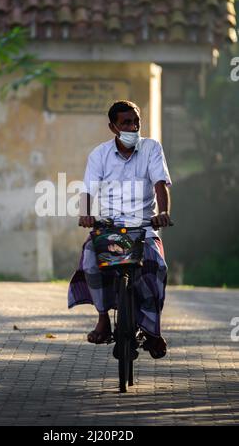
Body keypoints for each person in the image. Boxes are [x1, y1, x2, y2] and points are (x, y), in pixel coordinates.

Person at [68, 100, 172, 359]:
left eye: (136, 121)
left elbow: (160, 183)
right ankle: (103, 318)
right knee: (90, 257)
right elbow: (88, 190)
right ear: (113, 127)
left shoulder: (151, 148)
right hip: (110, 227)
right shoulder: (99, 154)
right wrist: (86, 214)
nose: (133, 126)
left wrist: (163, 212)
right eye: (126, 122)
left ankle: (152, 330)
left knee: (157, 266)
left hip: (144, 228)